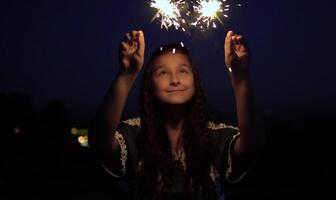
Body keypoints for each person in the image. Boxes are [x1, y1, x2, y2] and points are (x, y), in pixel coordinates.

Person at [89, 29, 263, 200]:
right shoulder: (135, 135)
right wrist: (126, 74)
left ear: (195, 80)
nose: (175, 80)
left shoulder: (216, 136)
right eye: (163, 72)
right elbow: (100, 141)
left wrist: (240, 76)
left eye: (183, 71)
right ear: (150, 84)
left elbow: (251, 145)